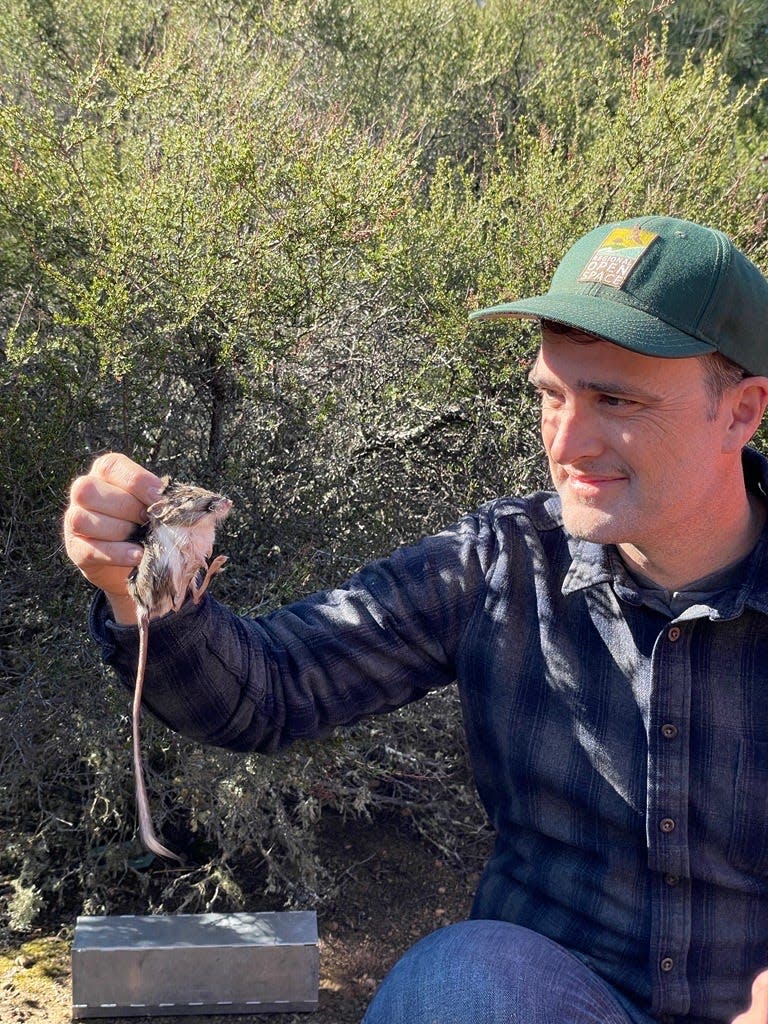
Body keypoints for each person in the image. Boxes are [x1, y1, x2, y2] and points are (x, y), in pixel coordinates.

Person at [63, 215, 768, 1024]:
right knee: (462, 977)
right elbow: (270, 692)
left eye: (616, 399)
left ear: (742, 411)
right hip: (553, 999)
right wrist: (141, 588)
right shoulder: (501, 562)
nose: (567, 440)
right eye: (551, 394)